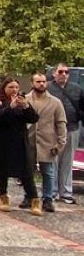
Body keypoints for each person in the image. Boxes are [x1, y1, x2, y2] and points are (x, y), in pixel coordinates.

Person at [0, 76, 39, 214]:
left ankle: (34, 200)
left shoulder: (22, 101)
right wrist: (10, 107)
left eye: (16, 87)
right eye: (11, 87)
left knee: (26, 173)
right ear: (4, 88)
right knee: (1, 172)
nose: (14, 90)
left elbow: (33, 118)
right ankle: (3, 198)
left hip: (19, 141)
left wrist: (26, 106)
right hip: (1, 142)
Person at [26, 71, 67, 213]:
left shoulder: (55, 102)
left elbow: (61, 123)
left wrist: (61, 143)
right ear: (32, 83)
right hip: (29, 141)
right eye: (38, 81)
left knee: (48, 172)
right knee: (27, 171)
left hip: (48, 142)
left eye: (43, 81)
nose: (42, 84)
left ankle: (48, 199)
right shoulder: (25, 100)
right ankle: (29, 196)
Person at [49, 63, 83, 204]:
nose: (64, 74)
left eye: (66, 72)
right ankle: (52, 191)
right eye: (61, 71)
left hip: (72, 127)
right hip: (52, 129)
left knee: (67, 162)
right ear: (54, 73)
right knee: (53, 160)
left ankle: (66, 192)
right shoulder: (48, 88)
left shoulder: (77, 89)